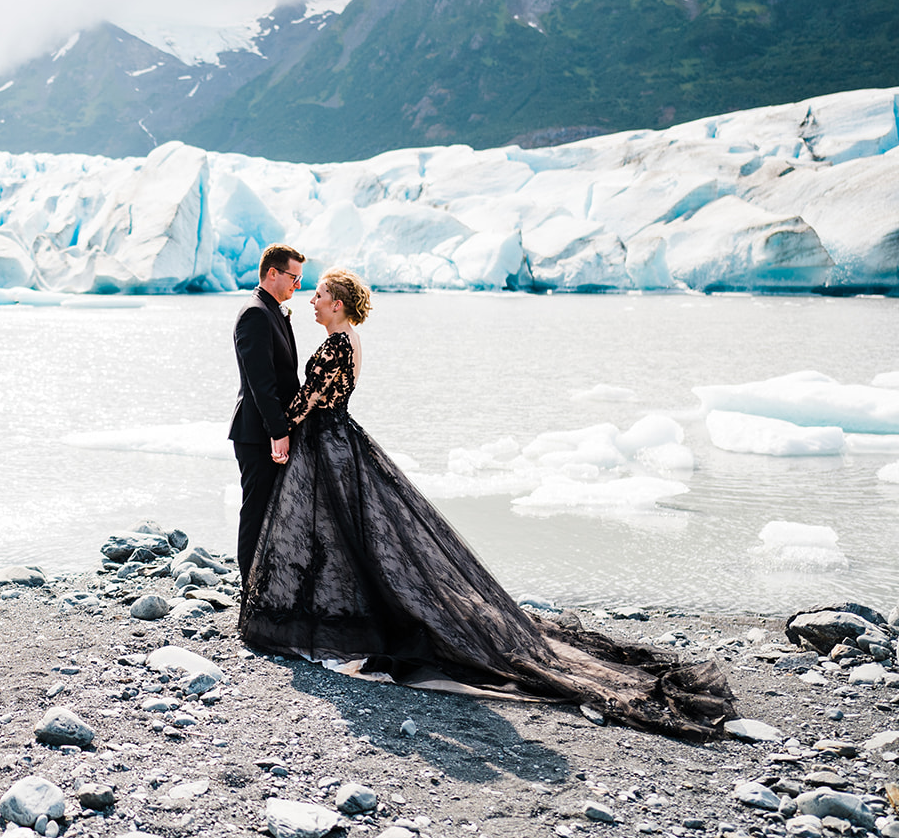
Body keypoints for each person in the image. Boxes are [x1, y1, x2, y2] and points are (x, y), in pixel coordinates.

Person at [238, 267, 736, 740]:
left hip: (326, 445)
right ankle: (343, 619)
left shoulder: (331, 348)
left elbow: (306, 404)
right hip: (343, 441)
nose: (313, 301)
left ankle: (338, 622)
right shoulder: (351, 342)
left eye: (320, 295)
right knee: (352, 537)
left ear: (338, 303)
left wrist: (279, 431)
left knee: (335, 535)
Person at [228, 244, 306, 584]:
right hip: (256, 434)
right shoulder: (255, 313)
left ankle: (268, 585)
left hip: (268, 431)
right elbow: (262, 382)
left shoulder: (274, 310)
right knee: (256, 513)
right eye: (294, 277)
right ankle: (249, 590)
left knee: (271, 512)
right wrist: (279, 431)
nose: (298, 286)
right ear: (272, 273)